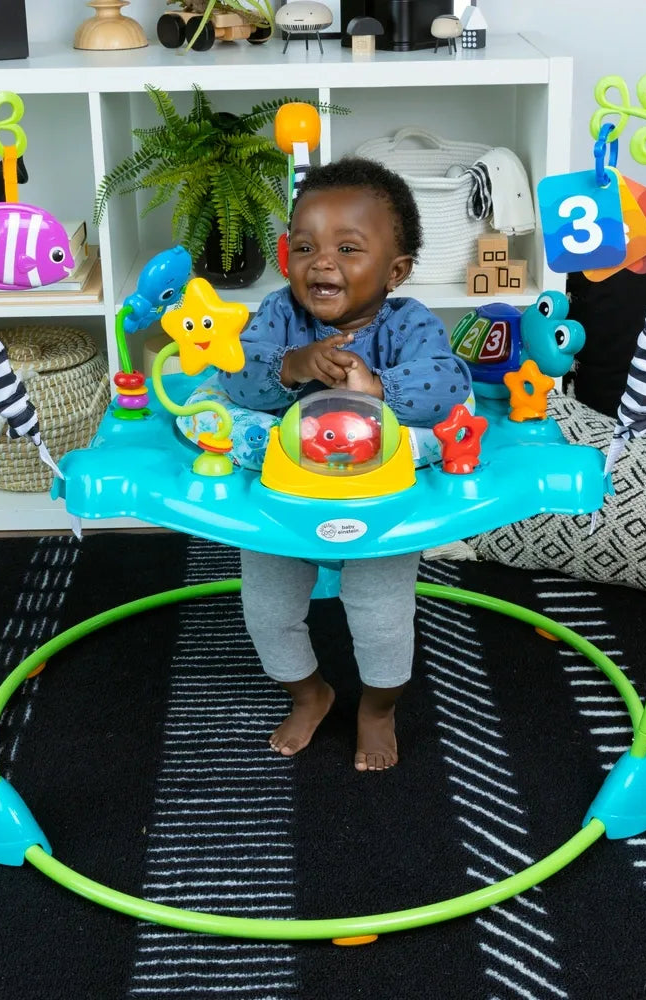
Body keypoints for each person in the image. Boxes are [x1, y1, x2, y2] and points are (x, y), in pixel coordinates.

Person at [219, 156, 474, 771]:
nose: (322, 263)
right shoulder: (280, 314)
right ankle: (311, 693)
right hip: (285, 498)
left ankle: (378, 709)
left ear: (396, 270)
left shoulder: (408, 324)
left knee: (381, 621)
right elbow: (234, 374)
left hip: (379, 501)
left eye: (348, 248)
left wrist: (380, 388)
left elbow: (450, 385)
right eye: (305, 246)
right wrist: (291, 365)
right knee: (266, 612)